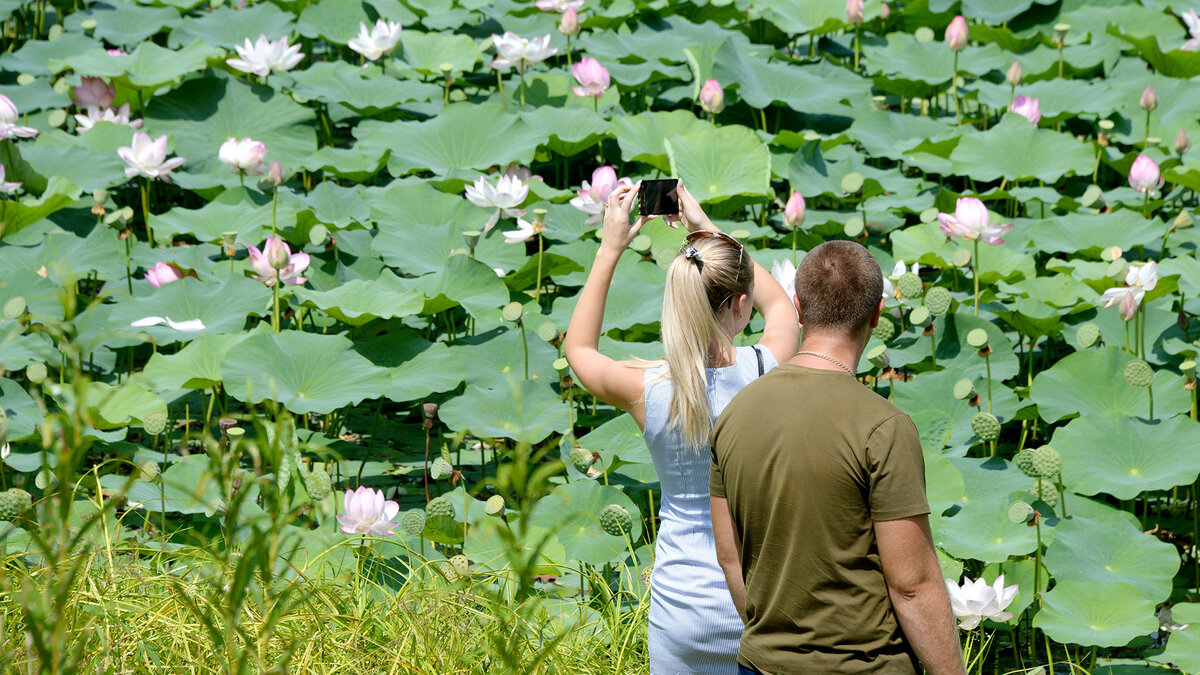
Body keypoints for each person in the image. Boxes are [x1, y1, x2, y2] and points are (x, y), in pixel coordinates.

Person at [565, 181, 800, 674]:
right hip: (756, 604)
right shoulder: (765, 367)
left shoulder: (646, 388)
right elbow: (781, 308)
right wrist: (706, 231)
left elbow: (579, 350)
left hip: (681, 610)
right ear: (739, 306)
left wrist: (611, 248)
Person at [709, 240, 964, 675]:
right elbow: (912, 586)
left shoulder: (735, 414)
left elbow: (730, 557)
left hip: (760, 664)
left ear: (799, 308)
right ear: (877, 314)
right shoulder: (883, 427)